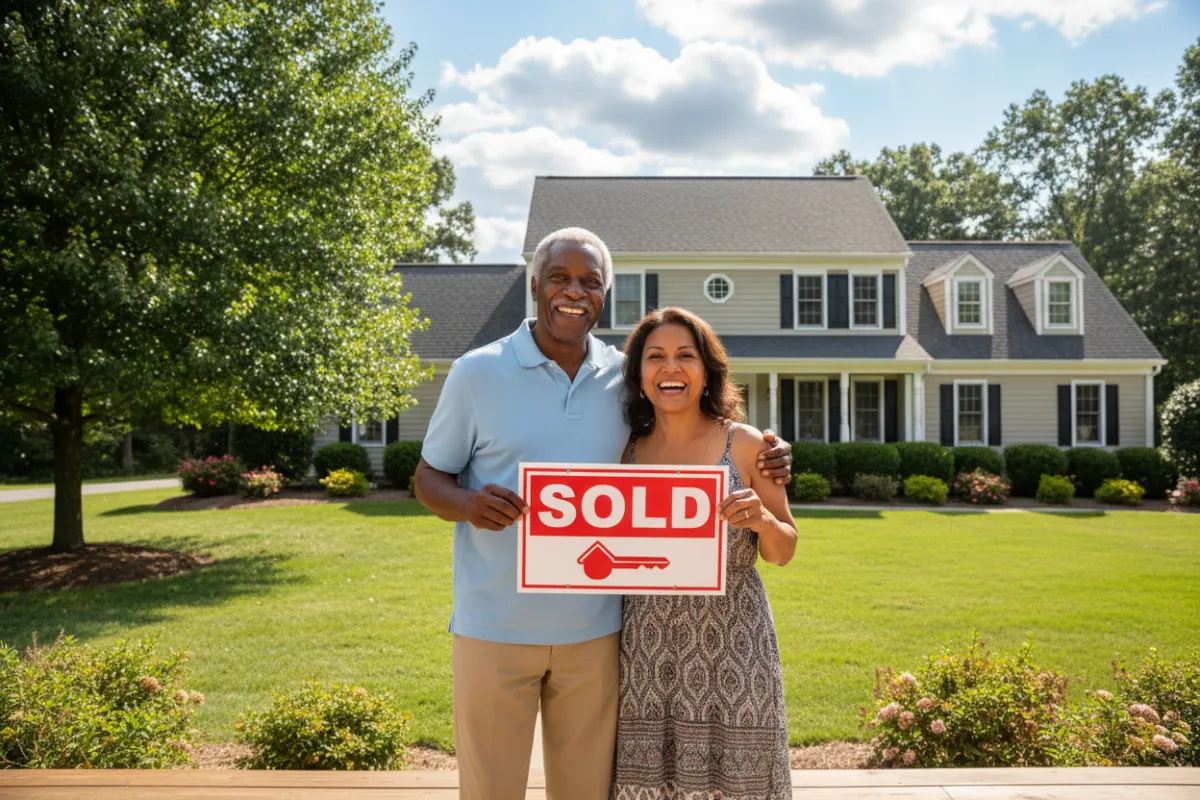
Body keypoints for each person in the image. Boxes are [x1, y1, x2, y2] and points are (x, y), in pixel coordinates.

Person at [412, 227, 793, 800]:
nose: (574, 292)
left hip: (598, 634)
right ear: (535, 284)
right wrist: (467, 503)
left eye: (590, 282)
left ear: (604, 296)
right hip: (495, 626)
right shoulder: (476, 372)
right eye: (560, 278)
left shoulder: (625, 377)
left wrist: (771, 458)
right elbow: (426, 478)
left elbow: (691, 421)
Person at [610, 306, 797, 800]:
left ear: (707, 369)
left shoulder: (747, 446)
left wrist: (761, 519)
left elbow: (784, 550)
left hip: (734, 643)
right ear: (639, 374)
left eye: (685, 356)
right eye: (656, 357)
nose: (670, 368)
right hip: (644, 650)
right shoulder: (623, 453)